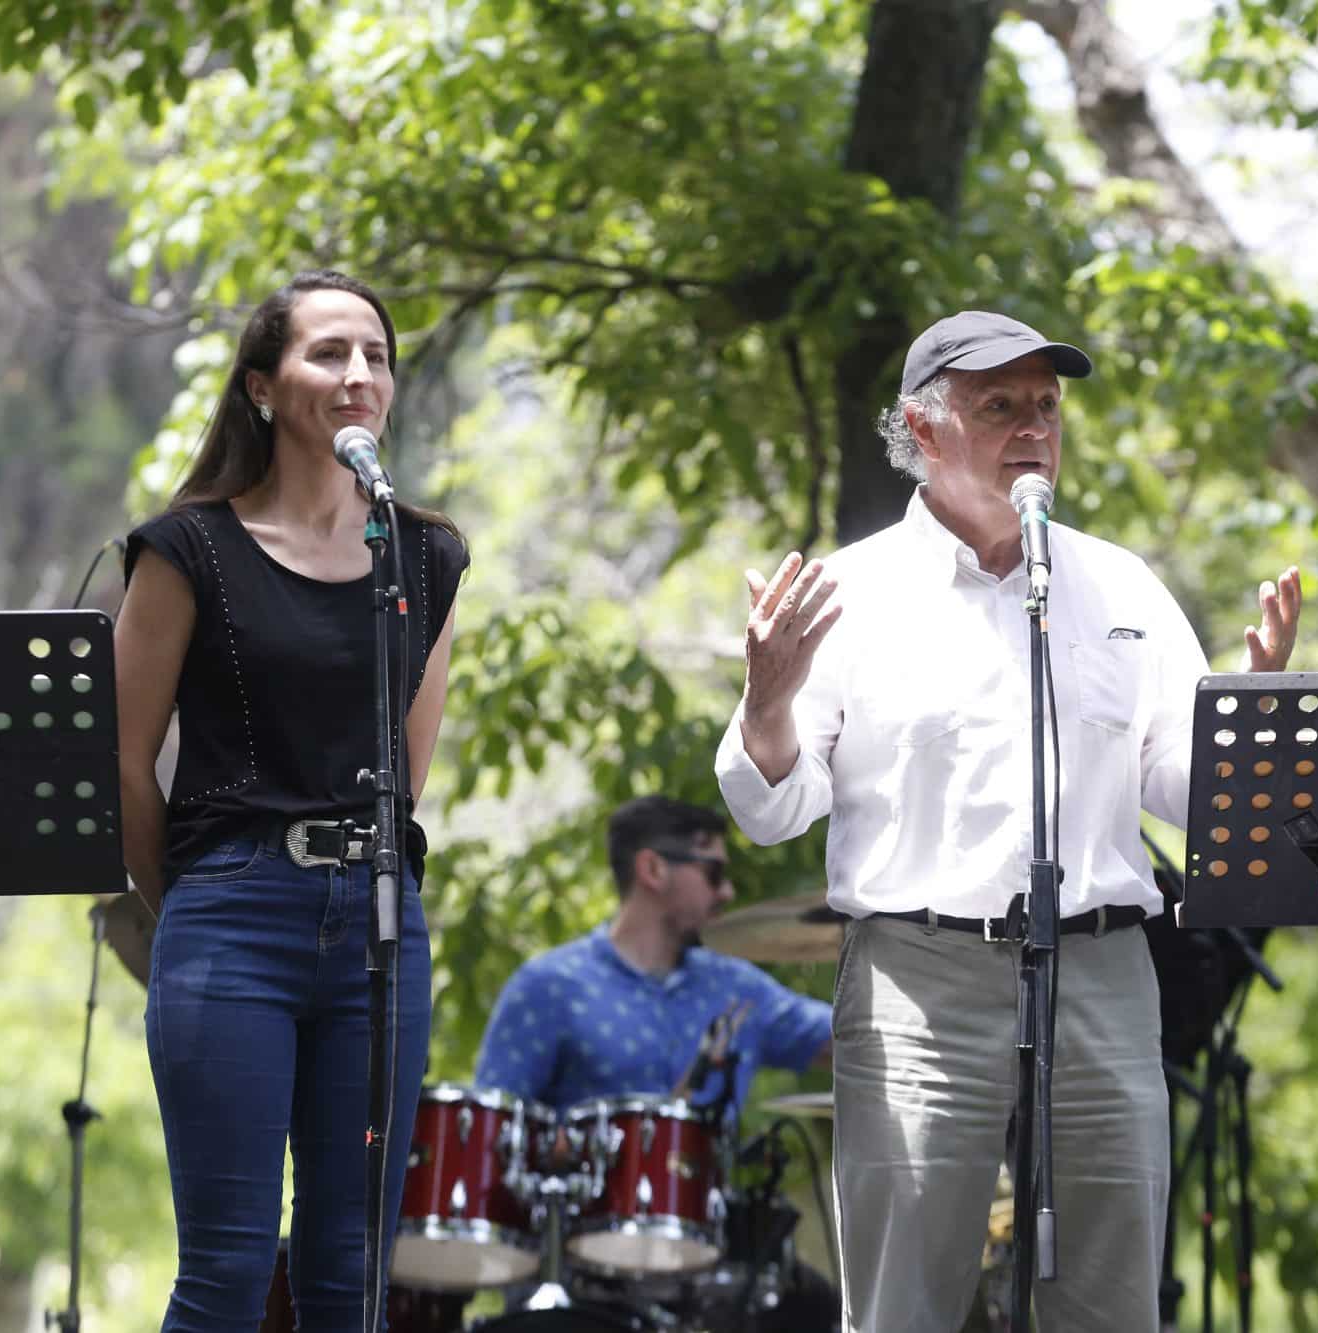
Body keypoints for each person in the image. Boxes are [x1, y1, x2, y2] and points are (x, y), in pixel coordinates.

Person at [712, 310, 1303, 1333]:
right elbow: (771, 809)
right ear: (923, 428)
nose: (1033, 428)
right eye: (999, 406)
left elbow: (1183, 791)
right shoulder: (850, 591)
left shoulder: (1119, 584)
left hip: (1103, 973)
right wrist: (766, 701)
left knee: (1113, 1309)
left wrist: (1249, 721)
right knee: (902, 1309)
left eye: (1046, 406)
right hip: (918, 982)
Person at [115, 268, 469, 1330]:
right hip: (232, 912)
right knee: (226, 1269)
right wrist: (185, 903)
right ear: (262, 387)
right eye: (328, 352)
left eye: (376, 356)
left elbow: (408, 770)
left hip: (379, 923)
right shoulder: (189, 551)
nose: (359, 374)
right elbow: (122, 761)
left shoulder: (424, 555)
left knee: (351, 1273)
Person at [475, 795, 831, 1118]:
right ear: (653, 870)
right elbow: (485, 1132)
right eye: (714, 873)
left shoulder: (738, 988)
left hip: (709, 1173)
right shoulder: (548, 986)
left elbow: (848, 1038)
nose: (727, 891)